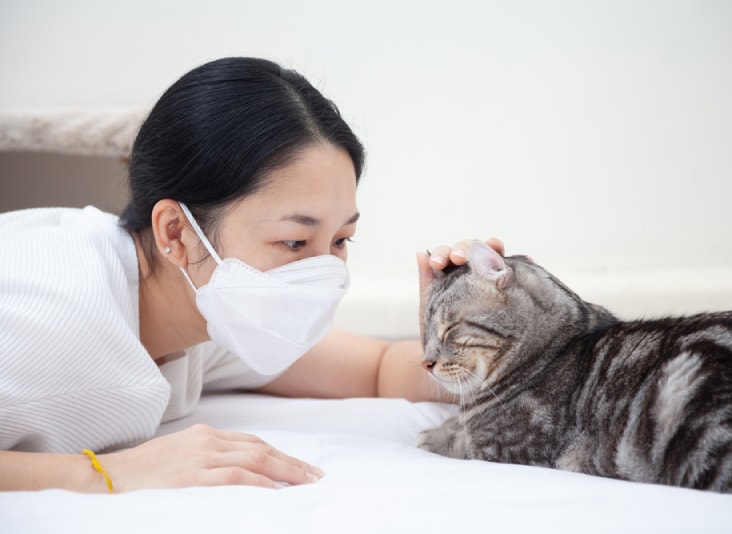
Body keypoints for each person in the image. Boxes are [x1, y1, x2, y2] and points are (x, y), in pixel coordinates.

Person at [0, 56, 504, 492]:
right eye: (293, 241)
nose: (323, 270)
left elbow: (377, 371)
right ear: (176, 232)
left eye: (340, 240)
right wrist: (108, 474)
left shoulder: (210, 307)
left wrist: (469, 330)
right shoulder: (48, 312)